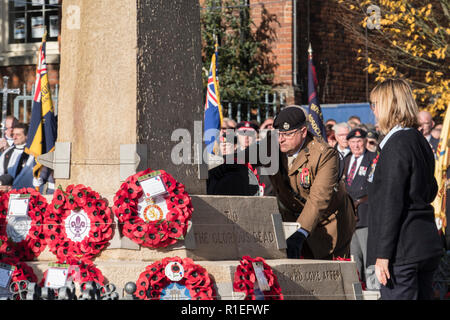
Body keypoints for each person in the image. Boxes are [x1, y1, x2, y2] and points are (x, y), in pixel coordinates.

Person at [211, 106, 356, 259]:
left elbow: (319, 199)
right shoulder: (273, 145)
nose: (281, 139)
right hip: (293, 219)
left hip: (329, 223)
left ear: (303, 132)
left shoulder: (324, 155)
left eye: (287, 134)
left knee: (330, 274)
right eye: (279, 133)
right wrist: (220, 167)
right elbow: (241, 157)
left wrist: (300, 233)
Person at [367, 78, 443, 300]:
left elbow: (392, 202)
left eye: (375, 104)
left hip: (401, 249)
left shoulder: (397, 143)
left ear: (389, 106)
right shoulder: (418, 139)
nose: (373, 111)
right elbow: (430, 189)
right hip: (423, 242)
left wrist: (383, 254)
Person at [343, 128, 378, 286]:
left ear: (364, 141)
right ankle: (357, 289)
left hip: (366, 215)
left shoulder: (373, 159)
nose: (356, 145)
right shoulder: (346, 160)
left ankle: (373, 290)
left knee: (369, 258)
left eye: (359, 141)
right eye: (352, 142)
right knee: (354, 258)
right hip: (349, 218)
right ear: (348, 143)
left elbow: (372, 186)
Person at [0, 123, 35, 189]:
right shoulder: (8, 152)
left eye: (18, 135)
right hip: (8, 193)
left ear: (27, 136)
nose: (14, 137)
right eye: (13, 134)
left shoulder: (32, 153)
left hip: (27, 192)